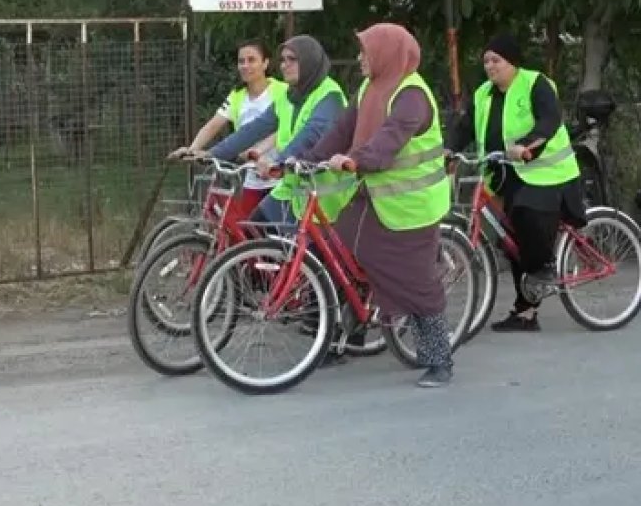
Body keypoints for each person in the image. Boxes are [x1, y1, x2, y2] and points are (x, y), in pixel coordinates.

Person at [304, 23, 456, 388]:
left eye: (365, 53)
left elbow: (391, 137)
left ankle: (439, 359)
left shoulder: (411, 95)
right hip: (374, 197)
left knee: (417, 282)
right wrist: (308, 159)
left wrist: (358, 159)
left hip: (411, 207)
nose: (360, 60)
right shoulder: (370, 90)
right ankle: (346, 333)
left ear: (387, 54)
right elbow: (341, 129)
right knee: (340, 250)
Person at [445, 34, 583, 333]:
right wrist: (449, 151)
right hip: (503, 174)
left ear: (512, 62)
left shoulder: (535, 83)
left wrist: (526, 145)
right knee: (511, 242)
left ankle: (544, 266)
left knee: (524, 213)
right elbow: (465, 127)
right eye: (486, 61)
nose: (490, 66)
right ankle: (525, 312)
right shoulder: (483, 94)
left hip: (545, 172)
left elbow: (550, 119)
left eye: (496, 60)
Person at [201, 35, 352, 227]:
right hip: (294, 188)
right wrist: (211, 154)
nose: (284, 65)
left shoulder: (329, 95)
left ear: (309, 61)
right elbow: (253, 129)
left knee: (302, 253)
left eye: (292, 59)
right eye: (282, 59)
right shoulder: (290, 96)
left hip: (326, 194)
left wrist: (278, 162)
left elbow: (311, 134)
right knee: (253, 233)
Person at [172, 40, 286, 226]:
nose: (245, 66)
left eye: (252, 60)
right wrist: (193, 149)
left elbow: (286, 128)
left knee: (277, 238)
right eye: (241, 61)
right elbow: (213, 125)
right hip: (252, 176)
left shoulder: (282, 91)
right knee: (247, 234)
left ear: (265, 63)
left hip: (279, 174)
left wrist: (259, 151)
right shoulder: (237, 95)